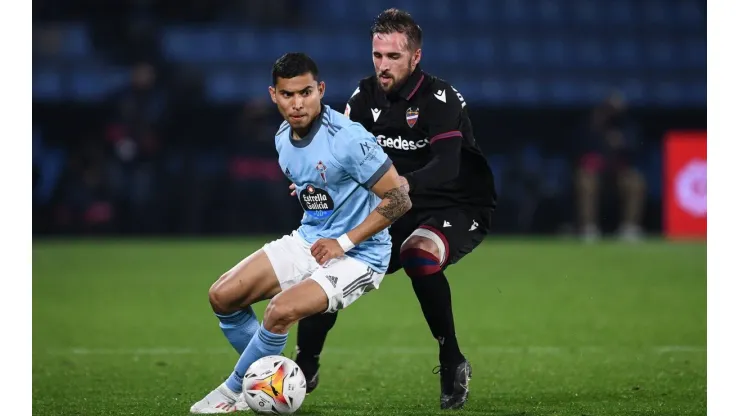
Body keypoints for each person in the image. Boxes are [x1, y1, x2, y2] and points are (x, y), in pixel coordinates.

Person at [293, 8, 497, 410]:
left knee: (418, 255)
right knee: (331, 263)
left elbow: (447, 164)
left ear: (415, 57)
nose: (382, 66)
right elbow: (339, 155)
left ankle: (451, 358)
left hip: (455, 204)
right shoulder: (364, 97)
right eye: (377, 55)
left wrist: (404, 184)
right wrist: (310, 179)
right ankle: (305, 361)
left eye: (393, 57)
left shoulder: (440, 98)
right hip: (396, 206)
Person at [190, 52, 411, 414]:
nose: (297, 103)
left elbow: (399, 198)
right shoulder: (282, 139)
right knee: (223, 295)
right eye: (288, 95)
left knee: (279, 312)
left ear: (320, 90)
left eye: (306, 92)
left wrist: (342, 243)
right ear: (273, 95)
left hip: (361, 255)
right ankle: (273, 380)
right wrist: (310, 191)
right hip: (310, 239)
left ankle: (232, 395)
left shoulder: (349, 138)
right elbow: (321, 187)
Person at [575, 90, 646, 242]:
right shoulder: (592, 125)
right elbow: (579, 150)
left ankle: (629, 228)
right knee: (585, 181)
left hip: (619, 172)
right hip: (596, 172)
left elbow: (636, 149)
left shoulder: (628, 127)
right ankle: (589, 228)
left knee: (635, 182)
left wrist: (621, 143)